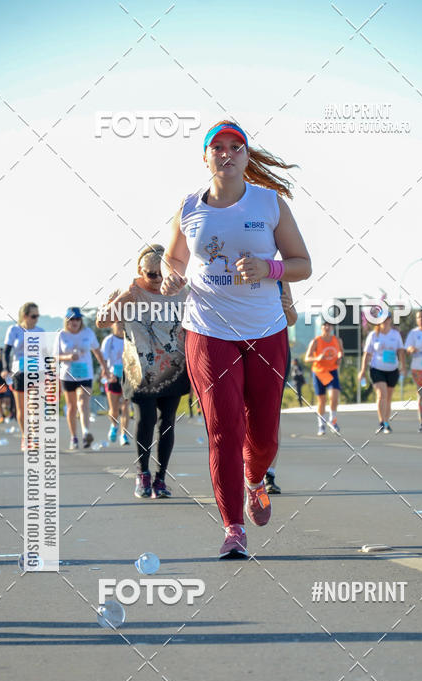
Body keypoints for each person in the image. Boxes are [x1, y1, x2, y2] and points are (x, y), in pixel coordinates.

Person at [160, 120, 311, 557]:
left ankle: (255, 478)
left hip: (265, 330)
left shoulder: (268, 203)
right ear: (205, 157)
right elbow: (175, 261)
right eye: (217, 147)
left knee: (262, 434)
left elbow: (303, 262)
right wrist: (172, 279)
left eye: (235, 147)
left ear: (246, 155)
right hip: (207, 330)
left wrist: (270, 269)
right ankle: (233, 528)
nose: (226, 154)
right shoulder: (189, 207)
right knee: (225, 429)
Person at [96, 246, 189, 498]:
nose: (157, 279)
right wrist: (125, 296)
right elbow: (102, 321)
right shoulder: (128, 292)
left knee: (167, 422)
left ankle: (160, 478)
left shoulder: (182, 291)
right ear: (140, 270)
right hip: (139, 368)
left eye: (161, 274)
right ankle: (143, 474)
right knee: (145, 419)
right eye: (151, 274)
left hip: (174, 366)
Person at [57, 307, 108, 450]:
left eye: (78, 319)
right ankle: (74, 437)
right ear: (67, 320)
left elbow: (97, 351)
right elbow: (54, 356)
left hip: (85, 374)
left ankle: (86, 433)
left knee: (83, 401)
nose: (75, 322)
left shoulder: (88, 333)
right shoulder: (62, 335)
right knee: (72, 407)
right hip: (68, 375)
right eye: (72, 319)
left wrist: (104, 367)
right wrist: (67, 357)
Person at [264, 280, 298, 494]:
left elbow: (292, 319)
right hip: (242, 349)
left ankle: (269, 473)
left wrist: (287, 307)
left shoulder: (280, 278)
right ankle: (247, 468)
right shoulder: (235, 273)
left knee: (270, 415)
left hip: (276, 352)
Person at [3, 303, 43, 451]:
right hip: (19, 372)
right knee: (22, 409)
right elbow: (6, 351)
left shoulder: (40, 331)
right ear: (25, 316)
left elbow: (46, 354)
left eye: (38, 316)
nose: (36, 319)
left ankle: (35, 435)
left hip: (36, 372)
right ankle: (26, 436)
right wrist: (5, 369)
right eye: (34, 316)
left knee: (34, 405)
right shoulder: (14, 330)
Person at [358, 311, 405, 433]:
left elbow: (400, 351)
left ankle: (386, 422)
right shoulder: (374, 335)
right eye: (382, 319)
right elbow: (367, 354)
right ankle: (381, 422)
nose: (385, 321)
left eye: (387, 318)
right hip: (377, 369)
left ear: (390, 320)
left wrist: (403, 366)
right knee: (381, 394)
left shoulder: (395, 335)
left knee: (388, 397)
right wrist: (362, 370)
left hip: (392, 369)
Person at [305, 321, 343, 436]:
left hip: (332, 371)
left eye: (329, 325)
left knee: (334, 396)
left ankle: (333, 421)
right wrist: (317, 358)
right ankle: (321, 425)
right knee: (321, 401)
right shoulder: (316, 341)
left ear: (332, 328)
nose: (327, 327)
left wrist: (340, 357)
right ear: (321, 328)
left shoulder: (337, 340)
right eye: (325, 325)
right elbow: (307, 358)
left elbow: (341, 352)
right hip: (319, 372)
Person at [101, 322, 130, 445]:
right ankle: (114, 426)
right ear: (112, 325)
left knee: (125, 406)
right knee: (114, 409)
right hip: (113, 377)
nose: (120, 325)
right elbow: (104, 360)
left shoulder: (130, 339)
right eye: (118, 323)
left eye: (123, 323)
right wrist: (106, 373)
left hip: (127, 377)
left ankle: (124, 435)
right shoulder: (109, 340)